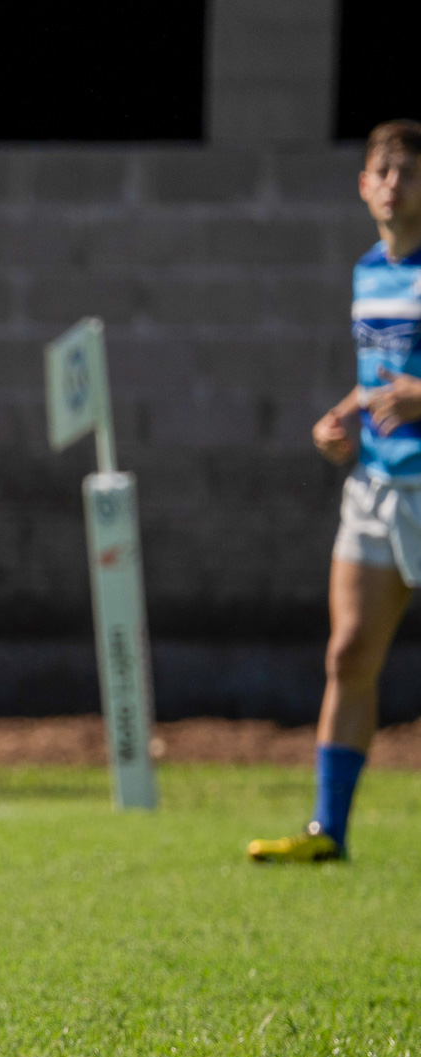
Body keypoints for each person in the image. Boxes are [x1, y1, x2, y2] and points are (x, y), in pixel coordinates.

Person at [250, 120, 421, 864]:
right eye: (383, 170)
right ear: (362, 184)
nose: (394, 183)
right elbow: (378, 379)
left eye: (410, 172)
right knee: (349, 652)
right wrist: (341, 419)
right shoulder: (367, 271)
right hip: (375, 484)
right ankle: (329, 830)